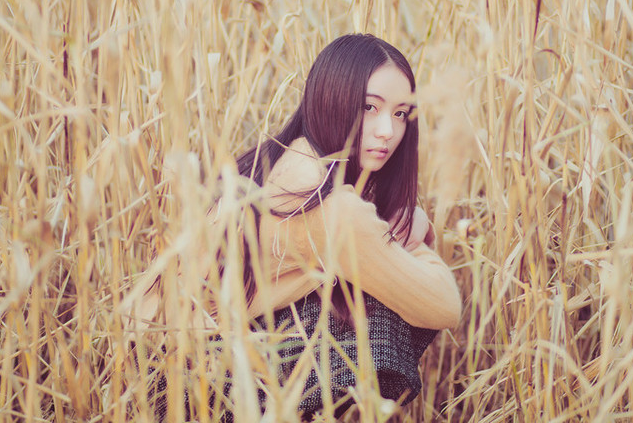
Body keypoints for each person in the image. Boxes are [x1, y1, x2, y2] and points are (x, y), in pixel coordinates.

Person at [127, 34, 461, 419]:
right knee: (379, 310)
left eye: (401, 114)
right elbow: (444, 305)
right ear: (331, 101)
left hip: (148, 363)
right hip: (186, 385)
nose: (387, 130)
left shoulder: (285, 164)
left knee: (348, 292)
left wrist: (405, 219)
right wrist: (409, 238)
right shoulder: (328, 207)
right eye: (370, 107)